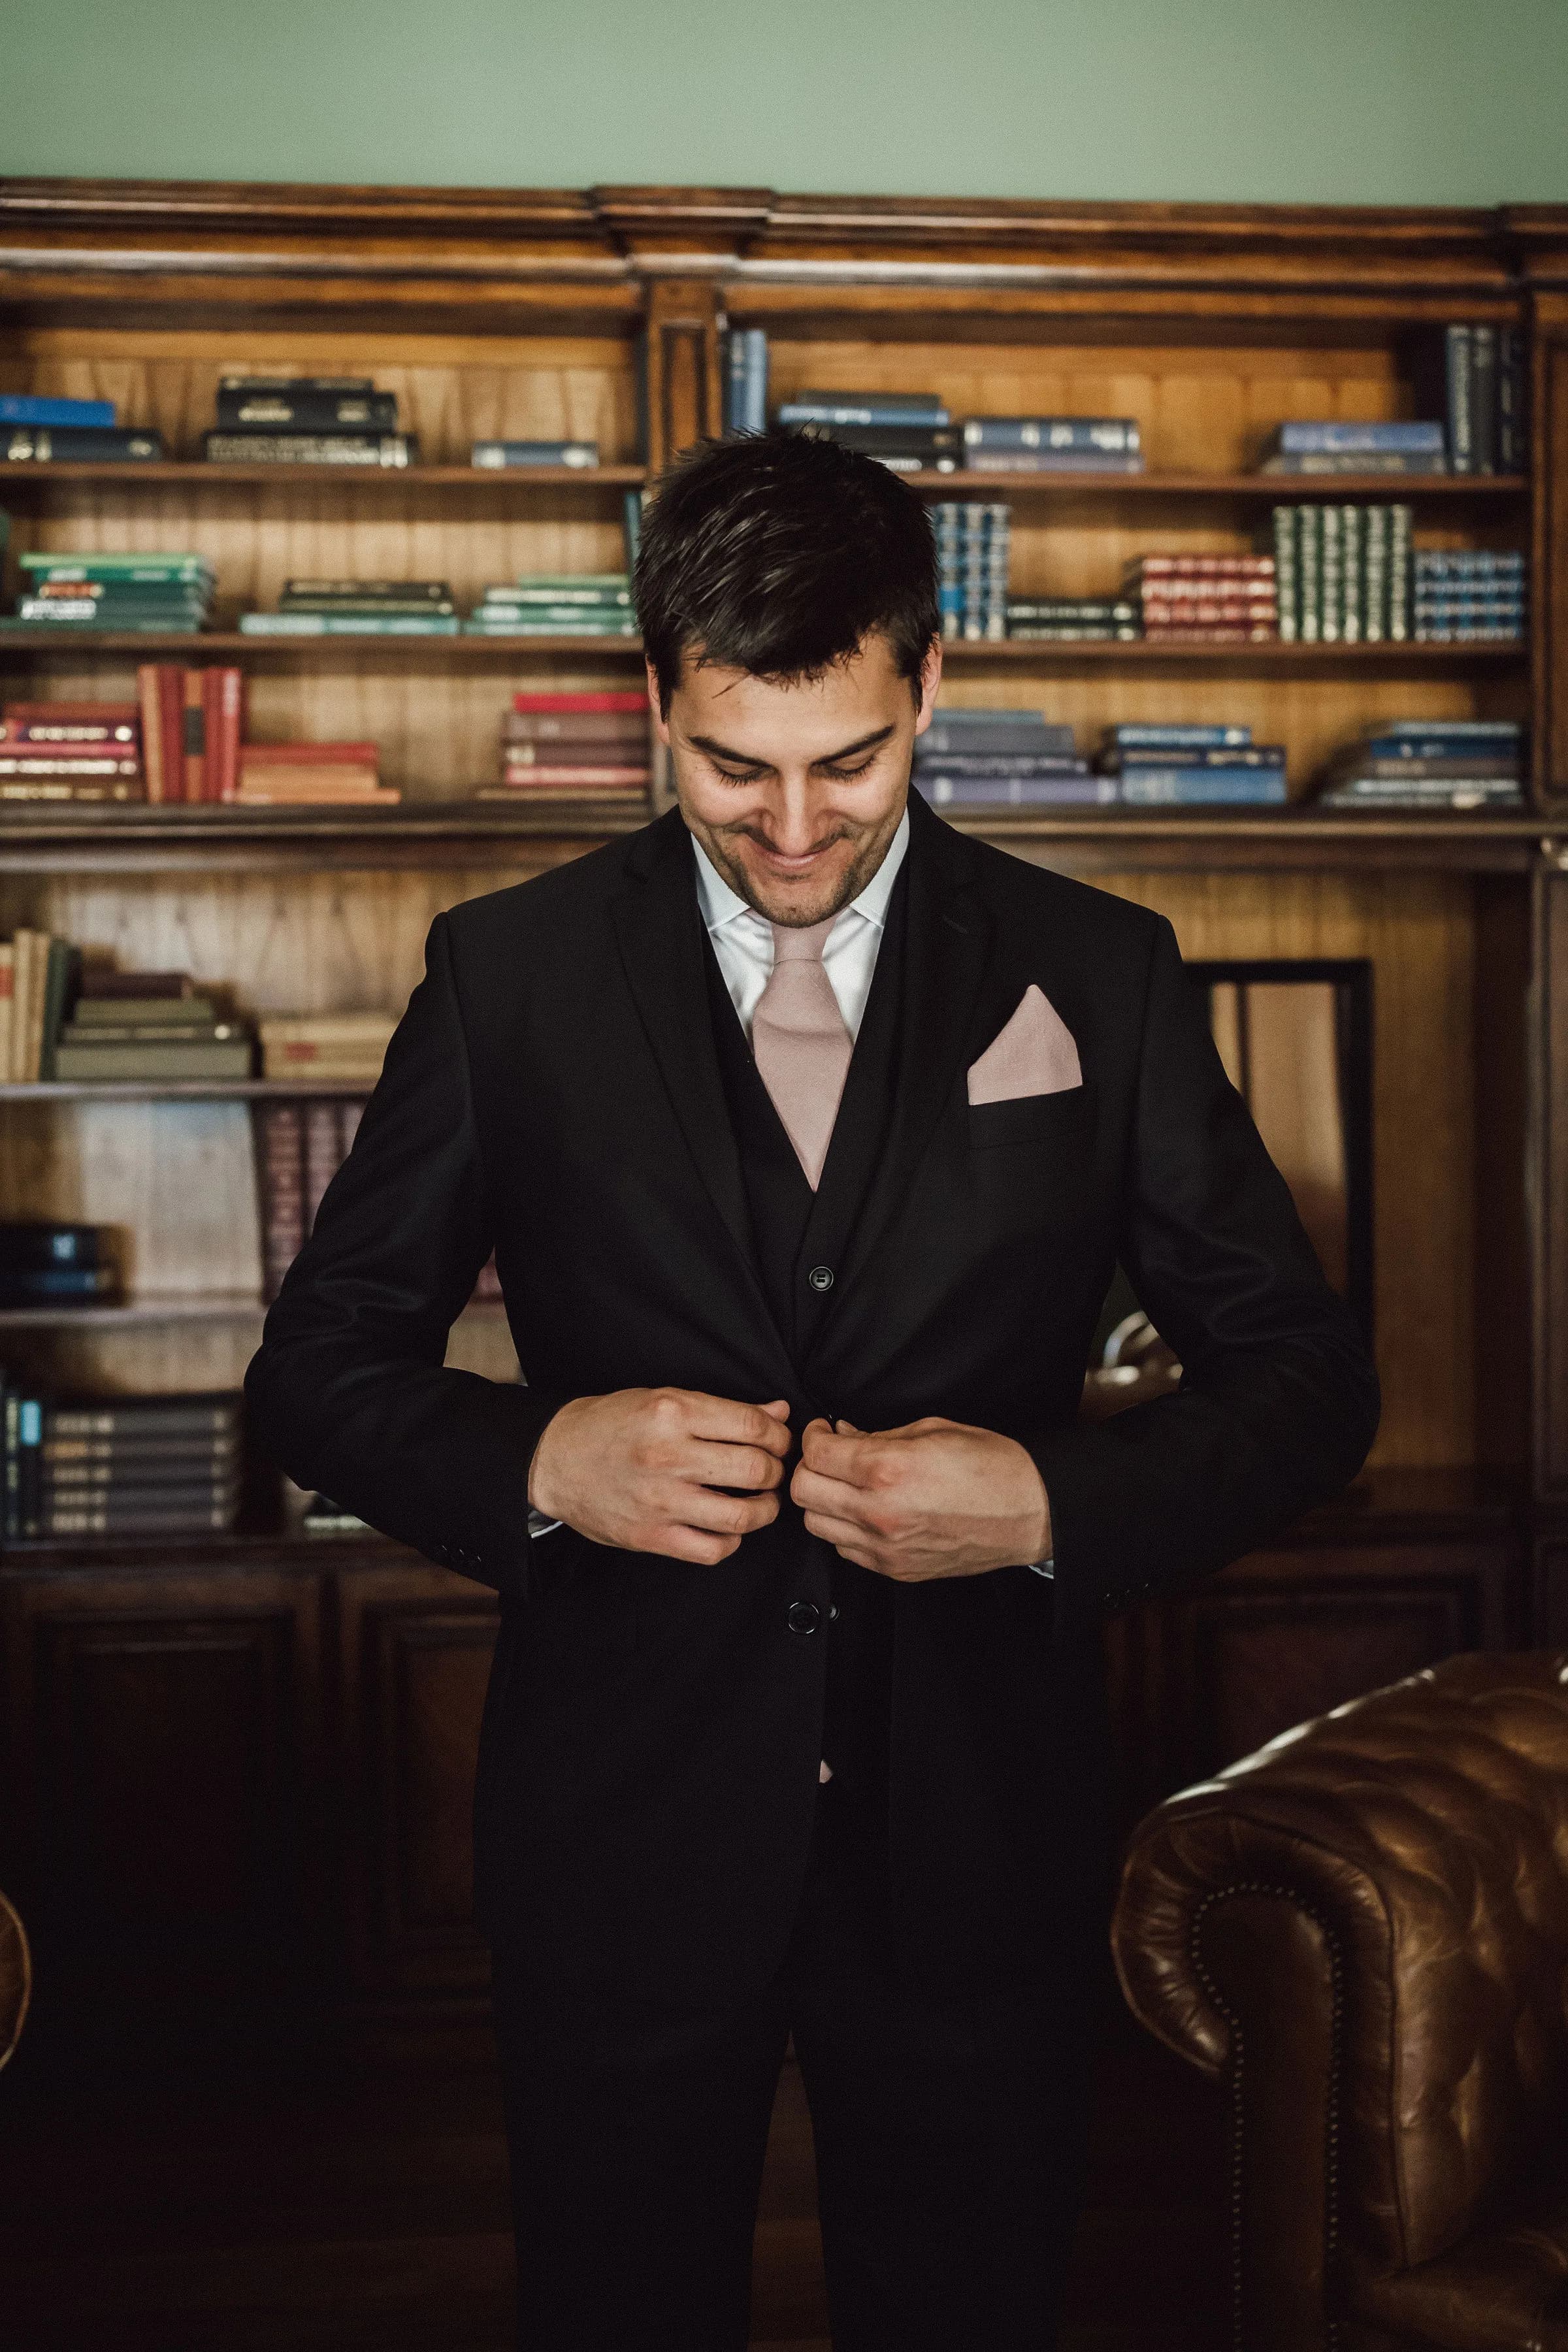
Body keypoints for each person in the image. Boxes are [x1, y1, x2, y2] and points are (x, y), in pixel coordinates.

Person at [244, 428, 1379, 2351]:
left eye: (846, 761)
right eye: (729, 767)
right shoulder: (506, 979)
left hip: (979, 1839)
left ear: (929, 684)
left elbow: (1308, 1379)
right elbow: (316, 1374)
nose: (789, 826)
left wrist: (1053, 1508)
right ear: (655, 705)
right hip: (617, 1833)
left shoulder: (1095, 973)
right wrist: (540, 1457)